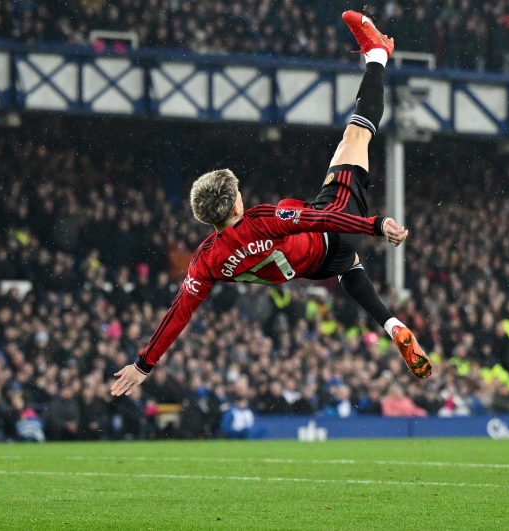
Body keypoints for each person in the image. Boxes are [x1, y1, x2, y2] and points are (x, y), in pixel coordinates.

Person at [112, 11, 431, 397]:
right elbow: (320, 215)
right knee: (356, 135)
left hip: (315, 267)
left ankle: (390, 324)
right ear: (233, 207)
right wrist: (376, 225)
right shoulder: (261, 219)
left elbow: (179, 312)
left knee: (349, 268)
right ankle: (377, 55)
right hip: (332, 230)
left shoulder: (206, 260)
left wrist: (143, 363)